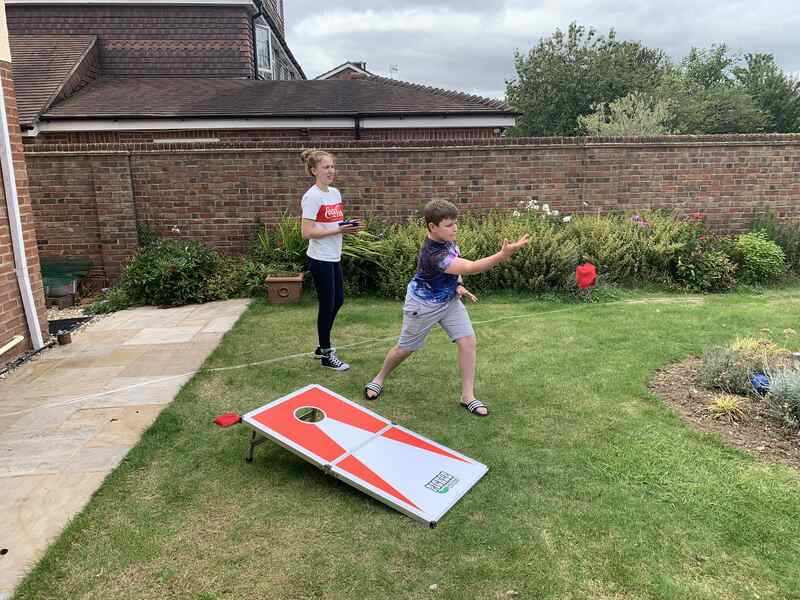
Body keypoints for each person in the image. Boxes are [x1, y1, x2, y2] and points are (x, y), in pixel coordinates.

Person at [363, 199, 529, 416]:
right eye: (449, 225)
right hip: (423, 304)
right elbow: (470, 267)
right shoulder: (433, 254)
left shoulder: (448, 241)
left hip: (449, 301)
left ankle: (467, 396)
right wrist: (503, 255)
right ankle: (379, 378)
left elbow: (456, 266)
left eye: (455, 223)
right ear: (432, 227)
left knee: (468, 341)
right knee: (405, 349)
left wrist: (458, 285)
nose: (455, 228)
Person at [299, 149, 363, 371]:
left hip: (333, 256)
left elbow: (334, 223)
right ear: (314, 170)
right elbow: (306, 232)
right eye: (326, 167)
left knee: (338, 301)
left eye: (332, 167)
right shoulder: (312, 196)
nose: (331, 171)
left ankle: (321, 345)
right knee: (328, 304)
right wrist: (338, 229)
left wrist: (346, 226)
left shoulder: (335, 193)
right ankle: (326, 354)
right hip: (319, 258)